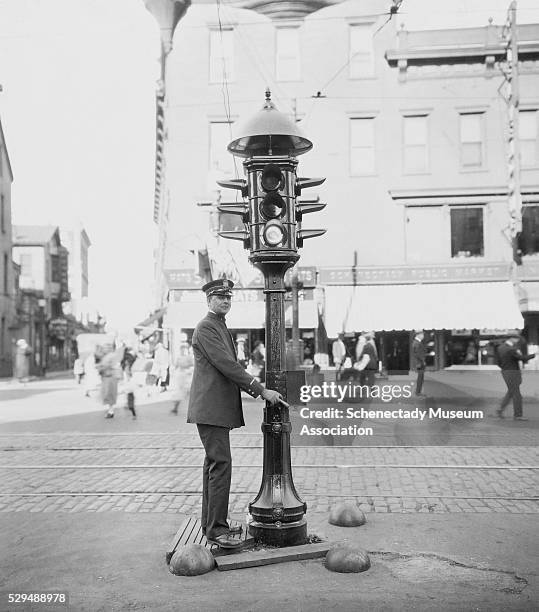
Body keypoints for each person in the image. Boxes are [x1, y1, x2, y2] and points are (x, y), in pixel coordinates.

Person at [187, 278, 282, 549]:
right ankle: (217, 529)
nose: (225, 301)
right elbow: (227, 365)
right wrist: (260, 390)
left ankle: (211, 524)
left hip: (213, 409)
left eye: (228, 298)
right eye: (220, 298)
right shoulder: (207, 327)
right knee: (221, 465)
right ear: (209, 301)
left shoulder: (219, 326)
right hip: (211, 409)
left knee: (214, 465)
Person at [496, 334, 535, 420]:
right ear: (512, 339)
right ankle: (518, 415)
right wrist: (534, 355)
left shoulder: (500, 348)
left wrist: (505, 368)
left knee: (511, 392)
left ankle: (500, 409)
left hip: (505, 372)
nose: (518, 341)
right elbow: (522, 358)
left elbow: (498, 362)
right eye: (517, 339)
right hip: (512, 373)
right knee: (517, 394)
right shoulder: (511, 349)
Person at [96, 344, 122, 419]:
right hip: (107, 376)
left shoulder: (112, 356)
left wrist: (101, 367)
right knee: (107, 393)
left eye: (107, 347)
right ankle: (110, 410)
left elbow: (111, 365)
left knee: (109, 393)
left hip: (110, 376)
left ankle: (111, 411)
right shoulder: (106, 356)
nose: (105, 349)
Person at [171, 341, 194, 415]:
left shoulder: (190, 357)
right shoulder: (179, 357)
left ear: (187, 350)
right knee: (179, 393)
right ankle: (175, 408)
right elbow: (176, 366)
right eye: (182, 349)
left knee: (191, 394)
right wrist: (173, 373)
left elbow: (193, 366)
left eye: (185, 349)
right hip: (180, 376)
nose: (183, 350)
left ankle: (193, 410)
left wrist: (188, 369)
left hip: (188, 376)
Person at [120, 346, 137, 419]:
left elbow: (124, 368)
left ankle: (131, 409)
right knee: (130, 394)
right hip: (129, 378)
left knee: (129, 394)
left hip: (127, 378)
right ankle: (130, 407)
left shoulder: (124, 359)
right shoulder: (130, 357)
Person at [412, 330, 426, 397]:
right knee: (420, 378)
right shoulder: (417, 343)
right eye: (422, 334)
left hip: (419, 362)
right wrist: (423, 361)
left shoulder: (417, 342)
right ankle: (418, 392)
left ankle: (418, 391)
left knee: (421, 377)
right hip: (419, 363)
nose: (423, 336)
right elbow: (418, 354)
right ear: (418, 335)